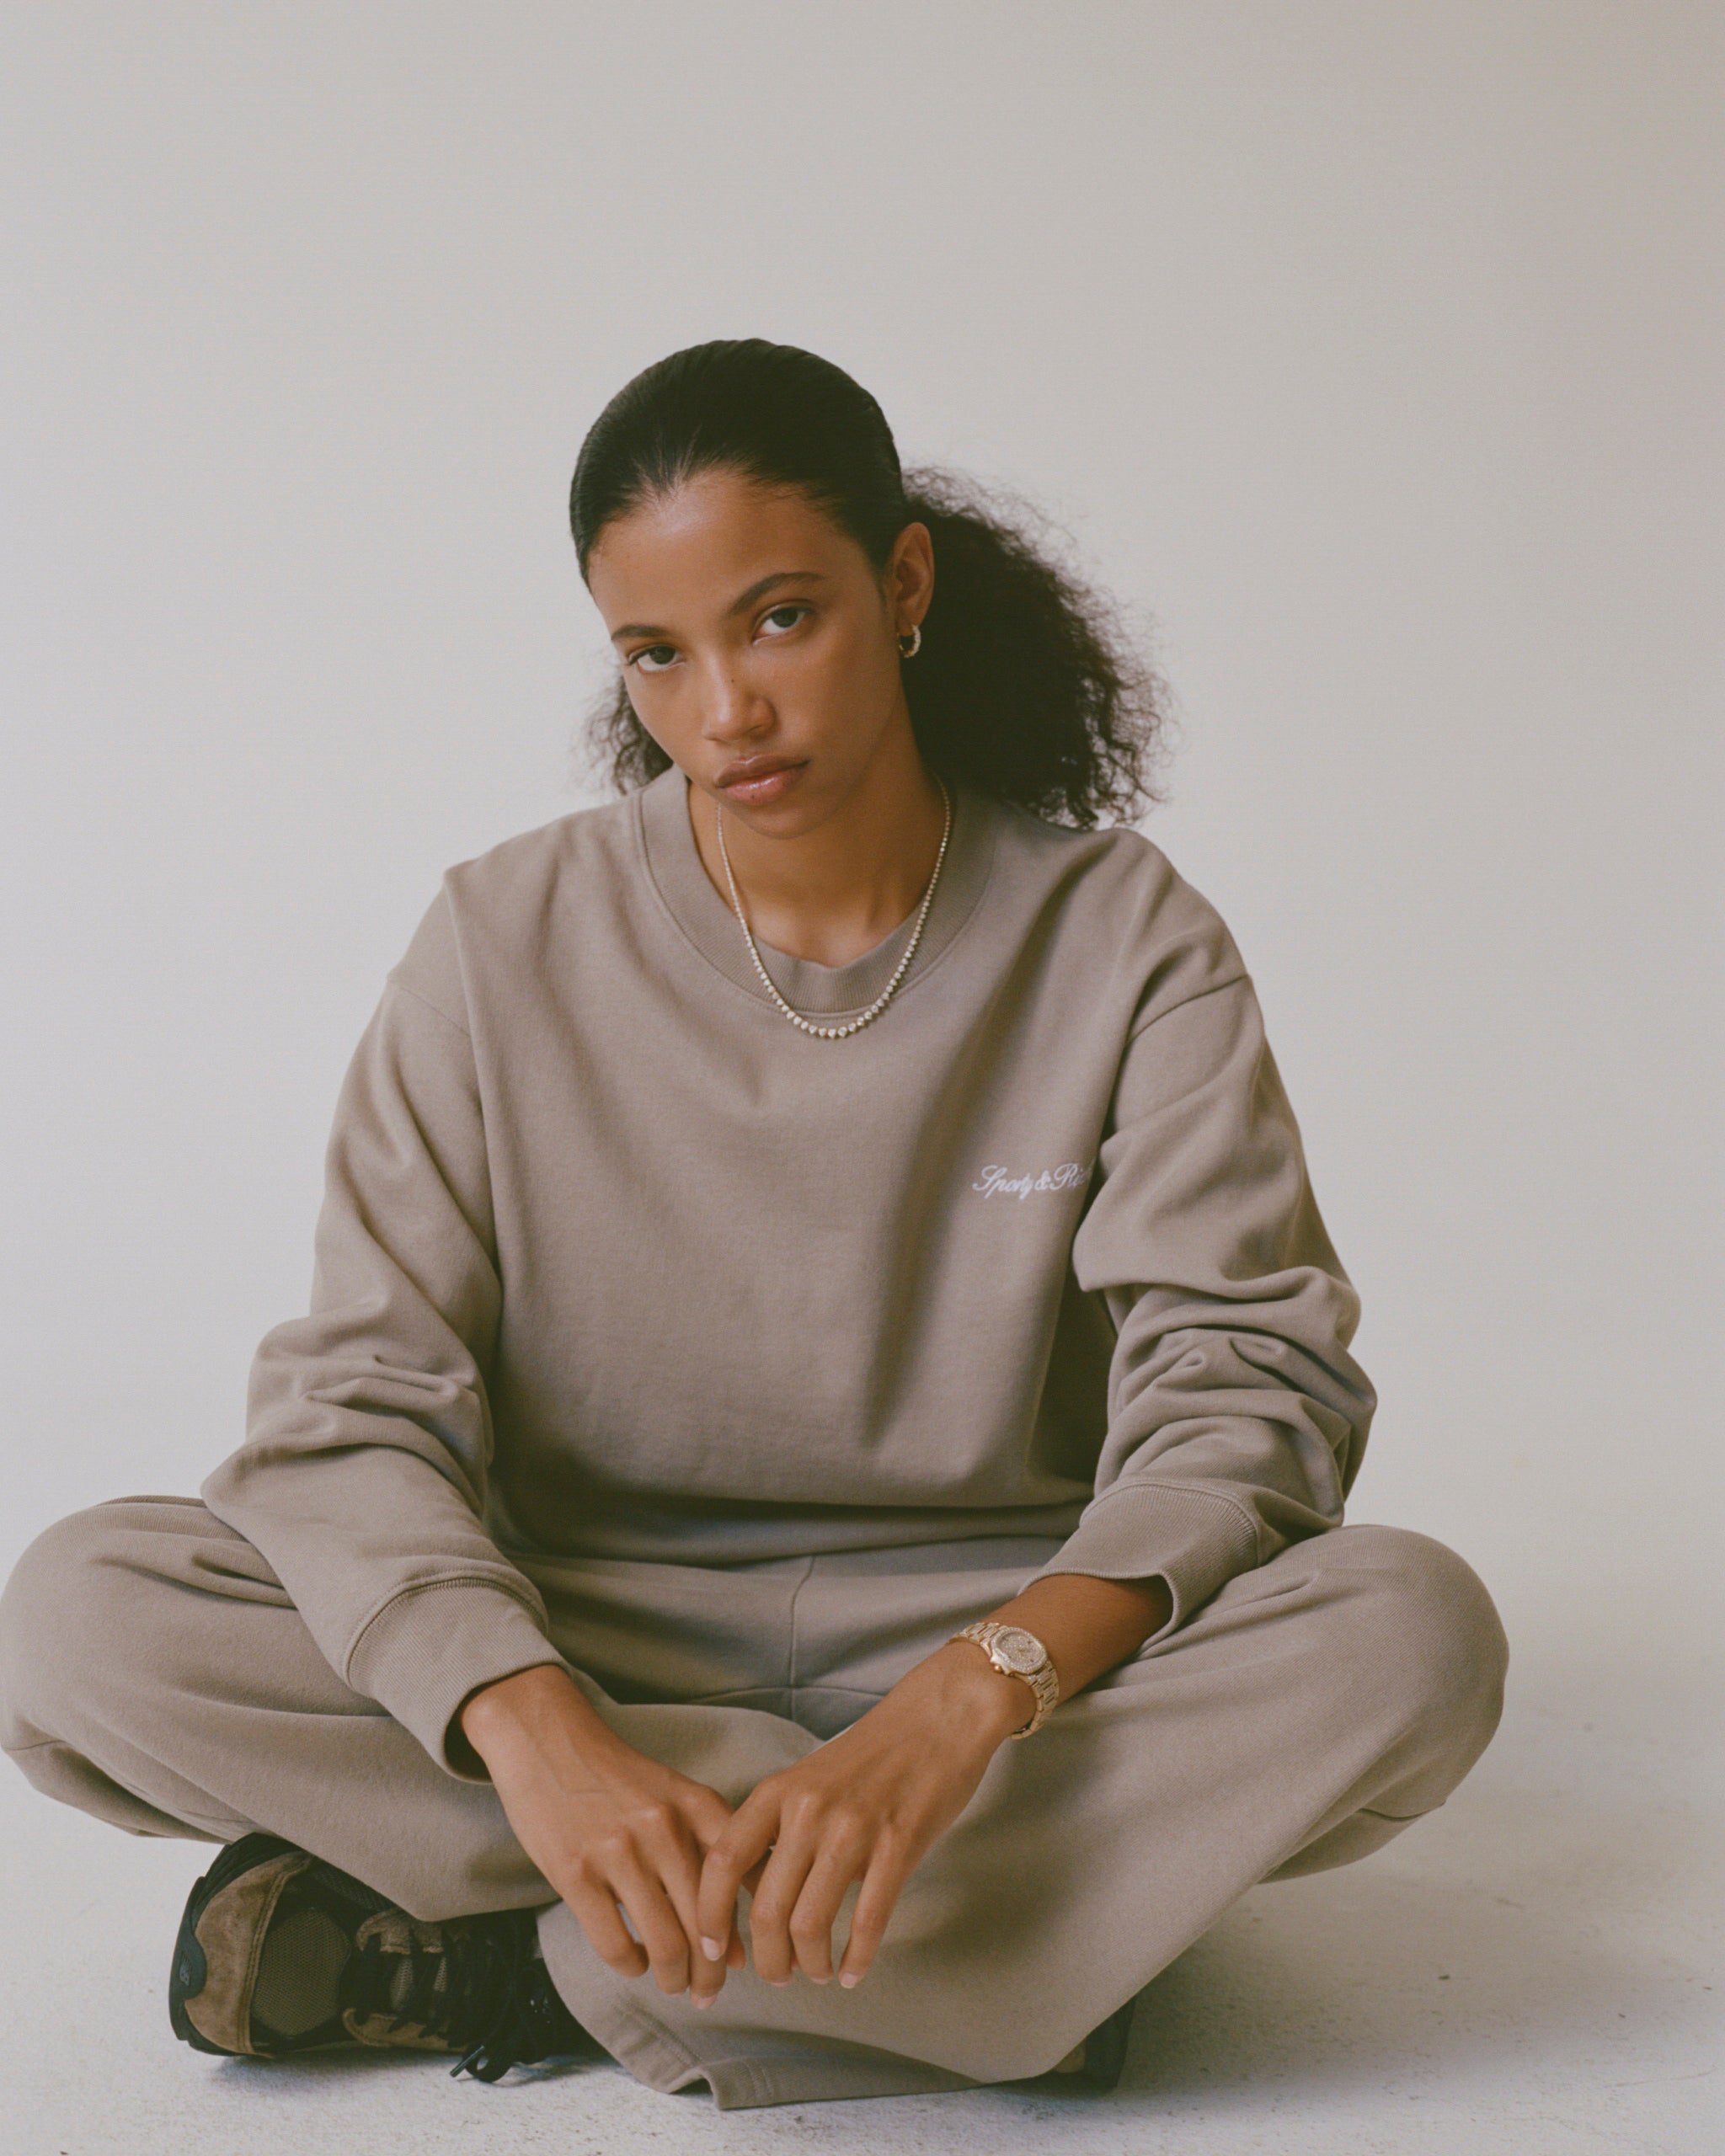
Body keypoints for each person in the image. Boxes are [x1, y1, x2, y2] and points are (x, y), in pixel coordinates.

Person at [0, 339, 1509, 2111]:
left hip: (993, 1646)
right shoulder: (499, 939)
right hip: (582, 1626)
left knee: (1411, 1636)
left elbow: (1245, 1389)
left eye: (780, 619)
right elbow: (353, 1406)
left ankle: (545, 1955)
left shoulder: (1123, 939)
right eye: (657, 652)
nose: (725, 710)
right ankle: (970, 1948)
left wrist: (970, 1698)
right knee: (81, 1616)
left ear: (905, 583)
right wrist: (535, 1733)